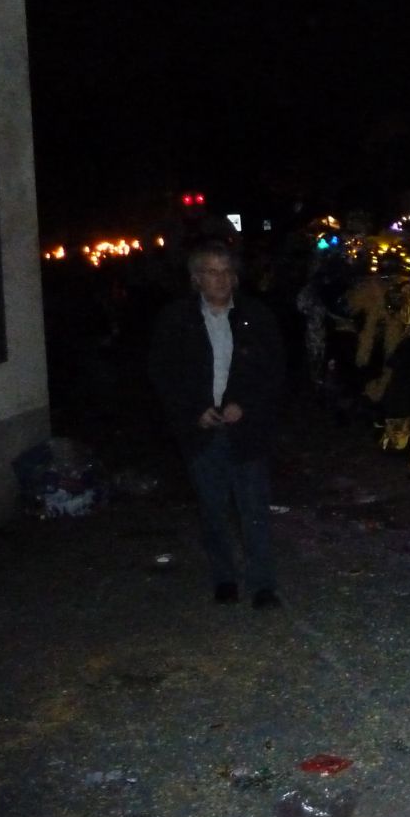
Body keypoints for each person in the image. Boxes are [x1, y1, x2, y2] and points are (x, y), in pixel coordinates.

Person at [148, 241, 287, 609]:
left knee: (254, 509)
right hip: (201, 432)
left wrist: (246, 405)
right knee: (213, 509)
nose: (221, 279)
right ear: (196, 278)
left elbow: (273, 370)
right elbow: (164, 375)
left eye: (226, 271)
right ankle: (224, 578)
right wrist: (194, 410)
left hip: (247, 432)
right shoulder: (177, 320)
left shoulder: (255, 316)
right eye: (212, 272)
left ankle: (262, 584)